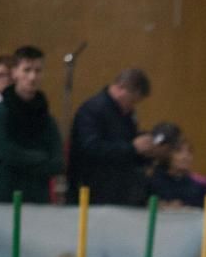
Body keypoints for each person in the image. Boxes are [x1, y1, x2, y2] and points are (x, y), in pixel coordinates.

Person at [67, 68, 160, 205]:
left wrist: (145, 151)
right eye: (132, 101)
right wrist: (132, 148)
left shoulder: (126, 114)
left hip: (119, 190)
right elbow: (90, 148)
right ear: (121, 88)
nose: (132, 107)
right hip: (92, 189)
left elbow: (128, 145)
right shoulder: (92, 110)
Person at [0, 46, 64, 203]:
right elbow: (5, 152)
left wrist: (27, 161)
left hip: (39, 198)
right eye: (26, 70)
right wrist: (41, 158)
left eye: (38, 70)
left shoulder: (47, 118)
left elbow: (58, 161)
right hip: (6, 198)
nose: (32, 77)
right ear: (14, 73)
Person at [148, 138, 206, 209]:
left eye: (189, 152)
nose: (185, 157)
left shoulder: (198, 188)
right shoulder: (154, 183)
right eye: (179, 151)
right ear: (169, 155)